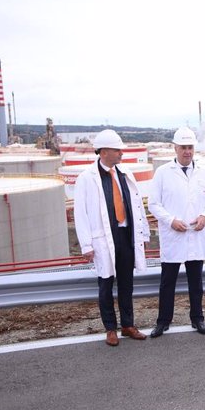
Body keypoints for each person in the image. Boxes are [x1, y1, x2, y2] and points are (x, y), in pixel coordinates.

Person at [74, 129, 150, 346]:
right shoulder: (86, 178)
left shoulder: (125, 173)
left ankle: (128, 325)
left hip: (126, 234)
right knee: (106, 284)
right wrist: (86, 244)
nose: (121, 154)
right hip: (103, 238)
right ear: (104, 151)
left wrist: (143, 232)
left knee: (127, 283)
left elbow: (137, 205)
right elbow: (80, 214)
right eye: (117, 150)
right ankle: (110, 328)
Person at [147, 127, 205, 338]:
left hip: (195, 234)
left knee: (196, 283)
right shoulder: (163, 173)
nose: (187, 151)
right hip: (173, 237)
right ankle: (163, 321)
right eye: (183, 147)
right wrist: (171, 220)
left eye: (190, 147)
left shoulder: (203, 173)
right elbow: (153, 204)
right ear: (175, 148)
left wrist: (204, 216)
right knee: (168, 283)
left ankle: (198, 318)